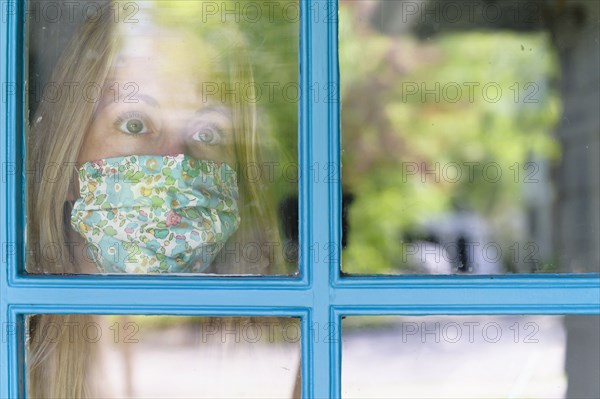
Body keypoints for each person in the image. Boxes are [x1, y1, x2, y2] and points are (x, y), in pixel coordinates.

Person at [26, 1, 285, 396]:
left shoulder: (274, 365)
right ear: (67, 157)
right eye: (134, 123)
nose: (174, 163)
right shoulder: (16, 361)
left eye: (208, 133)